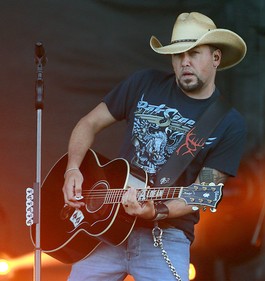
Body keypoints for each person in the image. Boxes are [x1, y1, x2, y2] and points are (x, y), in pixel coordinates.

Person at [63, 11, 247, 281]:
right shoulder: (144, 83)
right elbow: (88, 123)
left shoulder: (229, 123)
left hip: (166, 235)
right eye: (177, 54)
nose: (185, 62)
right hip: (108, 226)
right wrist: (72, 169)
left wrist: (156, 210)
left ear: (216, 58)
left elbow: (201, 193)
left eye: (194, 53)